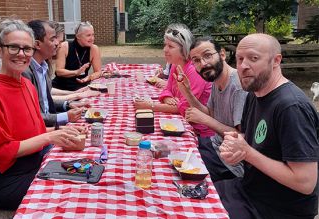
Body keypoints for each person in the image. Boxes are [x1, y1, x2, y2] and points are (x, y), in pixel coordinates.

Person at [0, 19, 83, 210]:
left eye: (27, 49)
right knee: (70, 193)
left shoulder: (27, 86)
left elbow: (35, 131)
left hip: (35, 164)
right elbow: (1, 150)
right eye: (13, 48)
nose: (21, 54)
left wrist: (65, 132)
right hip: (7, 182)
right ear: (0, 50)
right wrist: (51, 135)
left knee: (84, 171)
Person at [216, 33, 319, 219]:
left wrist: (247, 152)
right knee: (190, 193)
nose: (243, 66)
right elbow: (253, 140)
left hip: (278, 209)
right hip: (249, 190)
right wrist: (236, 147)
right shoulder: (254, 94)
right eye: (240, 59)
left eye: (253, 58)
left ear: (276, 61)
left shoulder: (291, 107)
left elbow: (306, 182)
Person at [176, 36, 248, 182]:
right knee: (174, 151)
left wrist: (204, 120)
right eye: (196, 60)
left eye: (208, 56)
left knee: (181, 177)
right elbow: (210, 113)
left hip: (230, 164)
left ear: (222, 54)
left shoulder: (238, 87)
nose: (203, 64)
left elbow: (240, 136)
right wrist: (187, 93)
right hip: (214, 144)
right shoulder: (217, 80)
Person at [134, 23, 214, 138]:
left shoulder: (195, 70)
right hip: (181, 124)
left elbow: (184, 107)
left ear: (184, 49)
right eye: (165, 45)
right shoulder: (176, 65)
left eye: (170, 46)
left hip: (200, 133)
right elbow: (167, 89)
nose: (165, 50)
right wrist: (168, 97)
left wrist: (149, 106)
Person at [22, 20, 84, 128]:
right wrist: (65, 117)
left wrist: (67, 105)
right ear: (37, 44)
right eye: (52, 39)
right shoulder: (25, 73)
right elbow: (31, 116)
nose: (57, 43)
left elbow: (45, 101)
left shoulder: (42, 66)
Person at [53, 21, 102, 91]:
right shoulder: (65, 46)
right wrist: (76, 72)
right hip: (61, 87)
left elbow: (98, 72)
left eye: (93, 35)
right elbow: (59, 71)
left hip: (81, 87)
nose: (92, 38)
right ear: (78, 36)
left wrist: (89, 77)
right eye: (88, 35)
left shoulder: (94, 49)